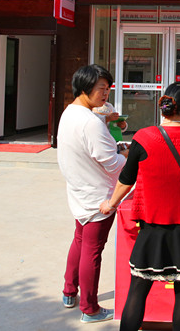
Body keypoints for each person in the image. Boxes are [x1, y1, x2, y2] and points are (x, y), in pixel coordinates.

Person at [100, 83, 180, 331]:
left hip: (153, 226)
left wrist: (111, 203)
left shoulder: (143, 137)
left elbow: (126, 179)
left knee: (138, 289)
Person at [57, 64, 127, 324]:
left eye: (108, 89)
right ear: (85, 88)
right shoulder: (90, 122)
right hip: (99, 196)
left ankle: (69, 291)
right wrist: (127, 154)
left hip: (79, 190)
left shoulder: (70, 112)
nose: (105, 94)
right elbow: (113, 164)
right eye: (101, 88)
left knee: (80, 240)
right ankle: (90, 308)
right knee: (92, 250)